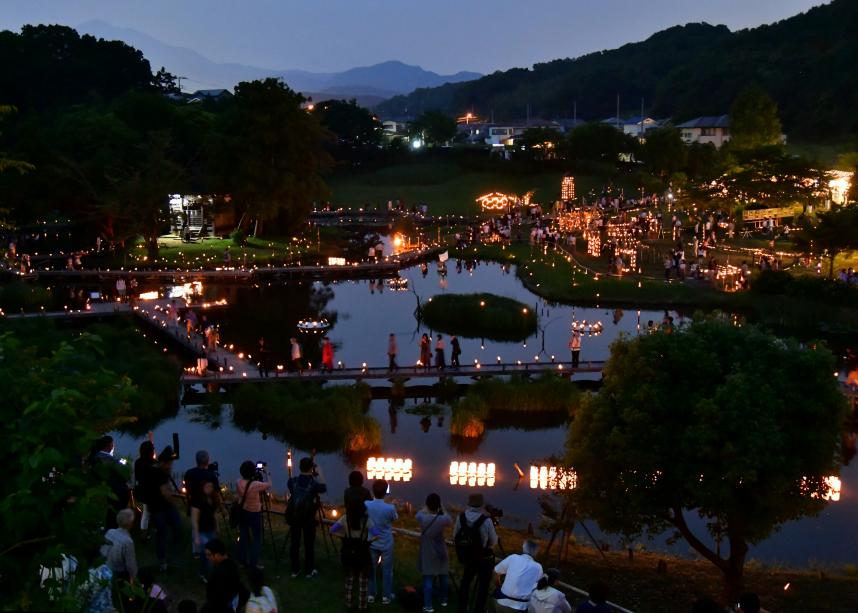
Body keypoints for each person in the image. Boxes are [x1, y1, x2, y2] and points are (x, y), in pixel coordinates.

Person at [331, 497, 380, 611]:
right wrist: (369, 541)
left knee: (349, 578)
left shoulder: (344, 518)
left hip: (348, 552)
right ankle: (362, 605)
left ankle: (349, 603)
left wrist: (343, 537)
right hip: (363, 553)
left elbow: (332, 530)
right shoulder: (367, 520)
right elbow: (377, 534)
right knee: (363, 580)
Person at [454, 493, 498, 613]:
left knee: (465, 582)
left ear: (469, 503)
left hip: (467, 557)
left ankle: (462, 608)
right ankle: (479, 609)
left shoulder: (460, 518)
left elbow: (455, 536)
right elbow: (493, 541)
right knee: (483, 585)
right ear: (481, 505)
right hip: (483, 558)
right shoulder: (486, 521)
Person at [286, 457, 327, 578]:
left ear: (299, 467)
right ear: (311, 468)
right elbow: (324, 487)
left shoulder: (291, 481)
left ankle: (295, 570)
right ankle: (309, 570)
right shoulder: (313, 484)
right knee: (309, 544)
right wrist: (320, 473)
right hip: (309, 518)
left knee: (294, 543)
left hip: (294, 516)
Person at [146, 447, 182, 571]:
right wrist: (175, 501)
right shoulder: (158, 473)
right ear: (164, 462)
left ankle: (168, 557)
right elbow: (165, 492)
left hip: (162, 507)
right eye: (170, 464)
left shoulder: (160, 471)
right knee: (162, 533)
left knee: (174, 528)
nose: (171, 466)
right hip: (159, 508)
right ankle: (163, 560)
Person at [416, 493, 452, 613]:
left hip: (427, 552)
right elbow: (450, 519)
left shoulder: (422, 517)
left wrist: (425, 508)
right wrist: (442, 508)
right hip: (441, 551)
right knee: (443, 576)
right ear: (438, 505)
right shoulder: (443, 519)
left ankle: (428, 605)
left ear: (427, 504)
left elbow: (417, 514)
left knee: (428, 578)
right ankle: (444, 599)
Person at [365, 479, 398, 604]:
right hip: (386, 542)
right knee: (387, 570)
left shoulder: (367, 504)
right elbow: (394, 518)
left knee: (371, 569)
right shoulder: (390, 508)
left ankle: (371, 594)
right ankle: (386, 596)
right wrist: (391, 504)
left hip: (372, 541)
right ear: (385, 492)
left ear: (373, 491)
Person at [236, 461, 272, 569]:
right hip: (254, 513)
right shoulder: (255, 484)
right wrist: (267, 472)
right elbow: (269, 484)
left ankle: (242, 561)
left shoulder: (238, 482)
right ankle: (254, 562)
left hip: (243, 511)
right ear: (252, 472)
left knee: (243, 536)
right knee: (257, 538)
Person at [493, 540, 543, 613]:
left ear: (523, 548)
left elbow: (495, 572)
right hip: (521, 608)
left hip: (502, 603)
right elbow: (538, 587)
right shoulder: (538, 567)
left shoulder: (513, 558)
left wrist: (498, 586)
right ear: (536, 552)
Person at [92, 435, 129, 529]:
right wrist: (124, 461)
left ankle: (111, 528)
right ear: (109, 445)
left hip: (113, 488)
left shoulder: (103, 457)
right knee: (114, 511)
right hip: (114, 489)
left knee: (112, 512)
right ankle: (114, 528)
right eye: (112, 444)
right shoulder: (104, 457)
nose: (113, 446)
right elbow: (123, 463)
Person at [204, 538, 247, 613]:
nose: (207, 557)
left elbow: (219, 595)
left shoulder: (221, 572)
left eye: (209, 555)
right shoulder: (231, 562)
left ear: (217, 555)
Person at [192, 479, 221, 579]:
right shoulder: (197, 500)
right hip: (201, 531)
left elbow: (214, 514)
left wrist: (217, 527)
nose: (209, 489)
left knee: (212, 552)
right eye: (207, 486)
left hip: (211, 530)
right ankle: (207, 574)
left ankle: (205, 573)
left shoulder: (212, 499)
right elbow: (194, 519)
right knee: (207, 553)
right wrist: (196, 536)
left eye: (211, 487)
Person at [102, 508, 138, 584]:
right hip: (119, 573)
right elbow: (130, 564)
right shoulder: (128, 542)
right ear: (130, 524)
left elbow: (103, 550)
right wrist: (134, 578)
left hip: (105, 568)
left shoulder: (110, 532)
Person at [134, 440, 156, 532]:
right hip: (153, 492)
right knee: (149, 512)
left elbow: (137, 477)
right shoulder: (154, 463)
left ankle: (144, 530)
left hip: (142, 491)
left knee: (146, 512)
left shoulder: (138, 462)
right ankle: (150, 530)